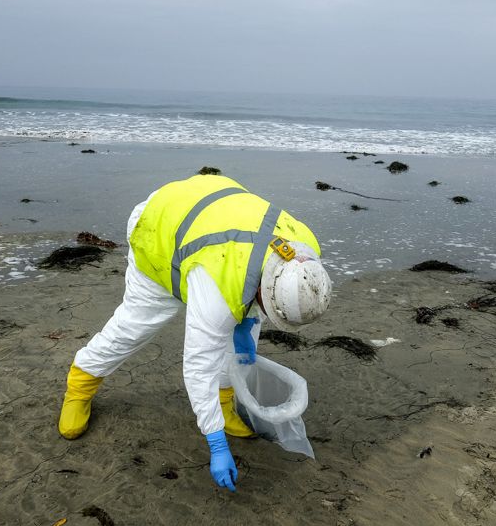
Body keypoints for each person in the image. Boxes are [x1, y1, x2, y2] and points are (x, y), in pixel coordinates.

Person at [57, 175, 332, 492]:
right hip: (160, 228)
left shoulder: (304, 255)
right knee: (135, 326)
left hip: (209, 212)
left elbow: (254, 287)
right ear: (264, 289)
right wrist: (216, 444)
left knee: (241, 333)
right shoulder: (215, 286)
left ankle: (226, 403)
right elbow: (198, 366)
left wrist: (246, 322)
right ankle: (80, 386)